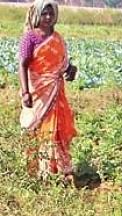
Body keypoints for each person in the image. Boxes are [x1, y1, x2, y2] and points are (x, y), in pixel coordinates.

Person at [18, 0, 78, 183]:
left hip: (56, 91)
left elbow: (65, 65)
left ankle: (59, 170)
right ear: (37, 14)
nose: (48, 17)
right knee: (37, 128)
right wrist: (25, 91)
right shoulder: (30, 37)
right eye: (44, 13)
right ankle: (39, 170)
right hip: (38, 90)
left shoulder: (58, 38)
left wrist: (71, 70)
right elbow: (23, 64)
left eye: (51, 14)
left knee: (57, 129)